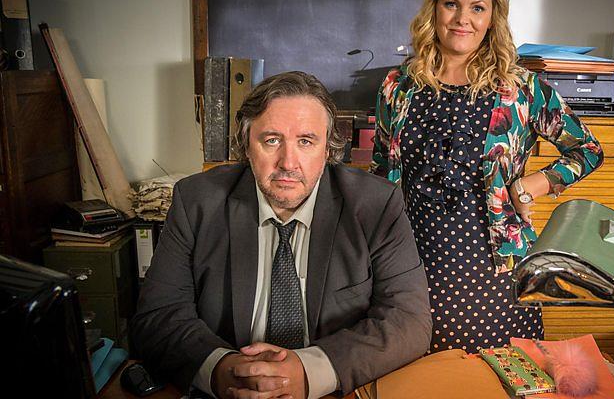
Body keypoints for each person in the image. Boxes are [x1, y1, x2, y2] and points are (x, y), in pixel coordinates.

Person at [131, 71, 432, 399]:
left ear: (327, 149)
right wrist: (220, 369)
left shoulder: (376, 205)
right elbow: (159, 315)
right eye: (271, 140)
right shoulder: (196, 201)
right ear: (247, 145)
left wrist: (309, 371)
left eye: (306, 141)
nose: (288, 163)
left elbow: (408, 320)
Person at [370, 0, 603, 353]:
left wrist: (530, 186)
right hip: (408, 265)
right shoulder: (398, 86)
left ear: (492, 18)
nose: (463, 18)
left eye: (477, 8)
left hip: (492, 272)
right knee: (412, 371)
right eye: (452, 4)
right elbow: (380, 169)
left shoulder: (522, 89)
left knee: (493, 374)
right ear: (434, 9)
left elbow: (588, 150)